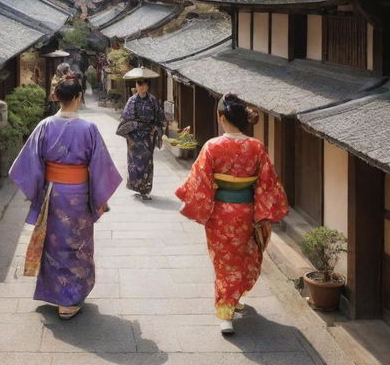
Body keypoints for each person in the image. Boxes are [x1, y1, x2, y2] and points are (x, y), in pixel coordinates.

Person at [175, 92, 289, 335]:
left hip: (219, 214)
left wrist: (190, 199)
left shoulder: (212, 146)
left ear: (221, 117)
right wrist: (263, 211)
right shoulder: (256, 147)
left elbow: (200, 181)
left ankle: (226, 312)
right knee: (243, 257)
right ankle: (234, 299)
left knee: (224, 261)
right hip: (247, 212)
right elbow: (267, 183)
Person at [9, 77, 122, 319]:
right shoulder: (89, 129)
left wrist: (36, 193)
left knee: (55, 244)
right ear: (78, 97)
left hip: (54, 194)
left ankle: (58, 295)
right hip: (79, 195)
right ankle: (70, 300)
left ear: (57, 97)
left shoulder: (45, 126)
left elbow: (28, 164)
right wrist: (99, 197)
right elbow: (101, 166)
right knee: (77, 246)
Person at [117, 78, 165, 201]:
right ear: (136, 86)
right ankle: (136, 187)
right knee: (133, 163)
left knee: (147, 163)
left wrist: (156, 127)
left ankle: (145, 190)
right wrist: (130, 130)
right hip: (133, 136)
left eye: (144, 85)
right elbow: (125, 118)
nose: (141, 87)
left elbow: (160, 117)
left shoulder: (152, 100)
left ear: (147, 86)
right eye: (139, 85)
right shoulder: (131, 100)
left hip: (147, 136)